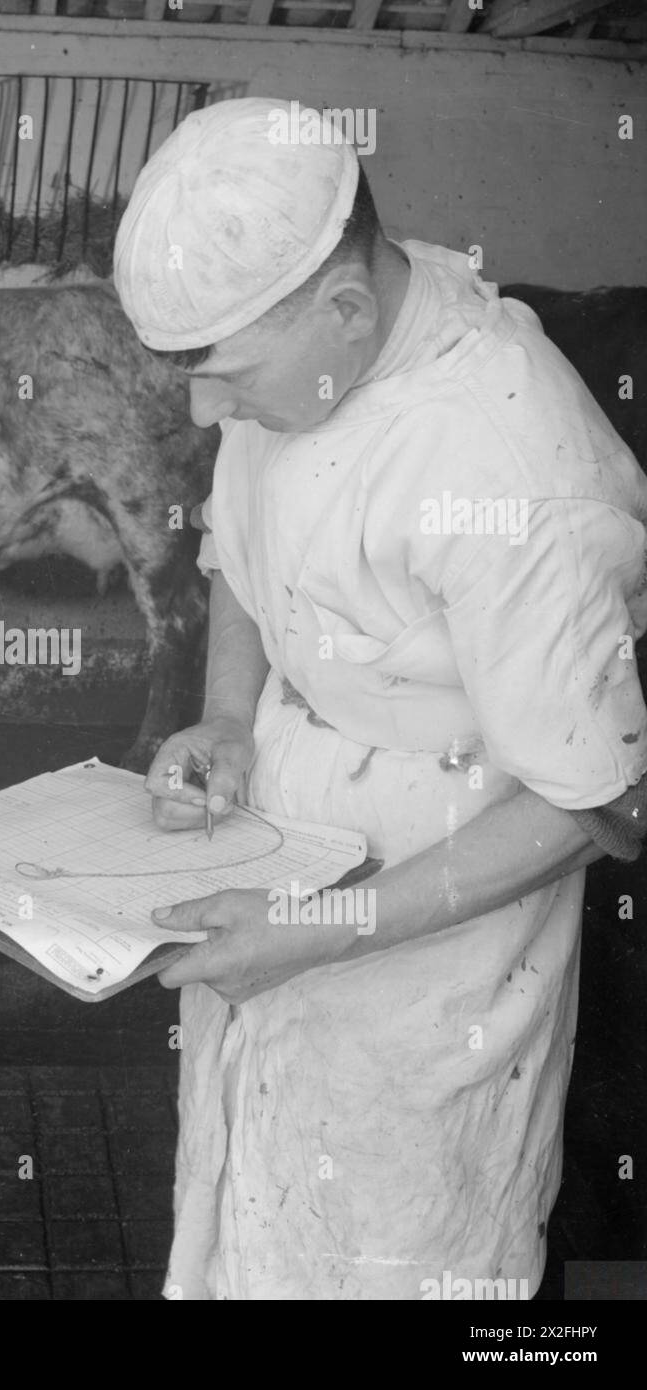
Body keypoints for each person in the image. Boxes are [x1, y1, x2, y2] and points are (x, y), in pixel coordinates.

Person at [112, 97, 647, 1300]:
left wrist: (327, 930)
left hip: (436, 965)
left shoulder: (514, 470)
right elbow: (241, 559)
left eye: (227, 382)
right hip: (279, 877)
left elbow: (600, 805)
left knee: (399, 1257)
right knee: (249, 1224)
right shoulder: (294, 366)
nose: (207, 415)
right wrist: (227, 718)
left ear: (345, 309)